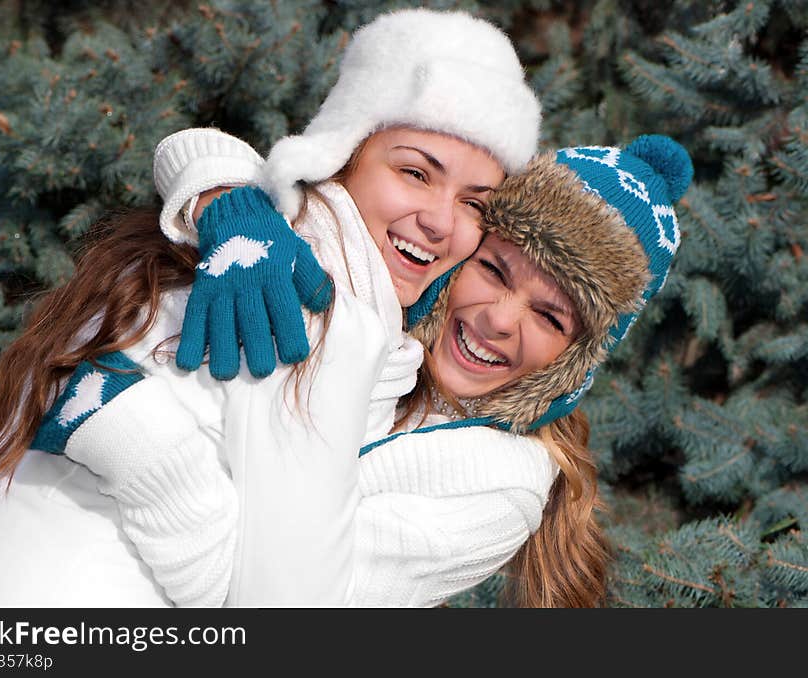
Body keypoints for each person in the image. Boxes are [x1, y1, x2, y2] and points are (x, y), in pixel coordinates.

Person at [0, 8, 542, 606]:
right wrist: (132, 436)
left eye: (475, 204)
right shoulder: (314, 305)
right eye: (415, 172)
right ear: (344, 151)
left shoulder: (247, 241)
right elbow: (265, 602)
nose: (440, 221)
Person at [38, 133, 693, 608]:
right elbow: (282, 173)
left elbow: (286, 606)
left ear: (577, 363)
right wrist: (227, 201)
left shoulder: (499, 483)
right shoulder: (384, 325)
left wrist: (144, 444)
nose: (500, 319)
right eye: (494, 270)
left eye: (551, 318)